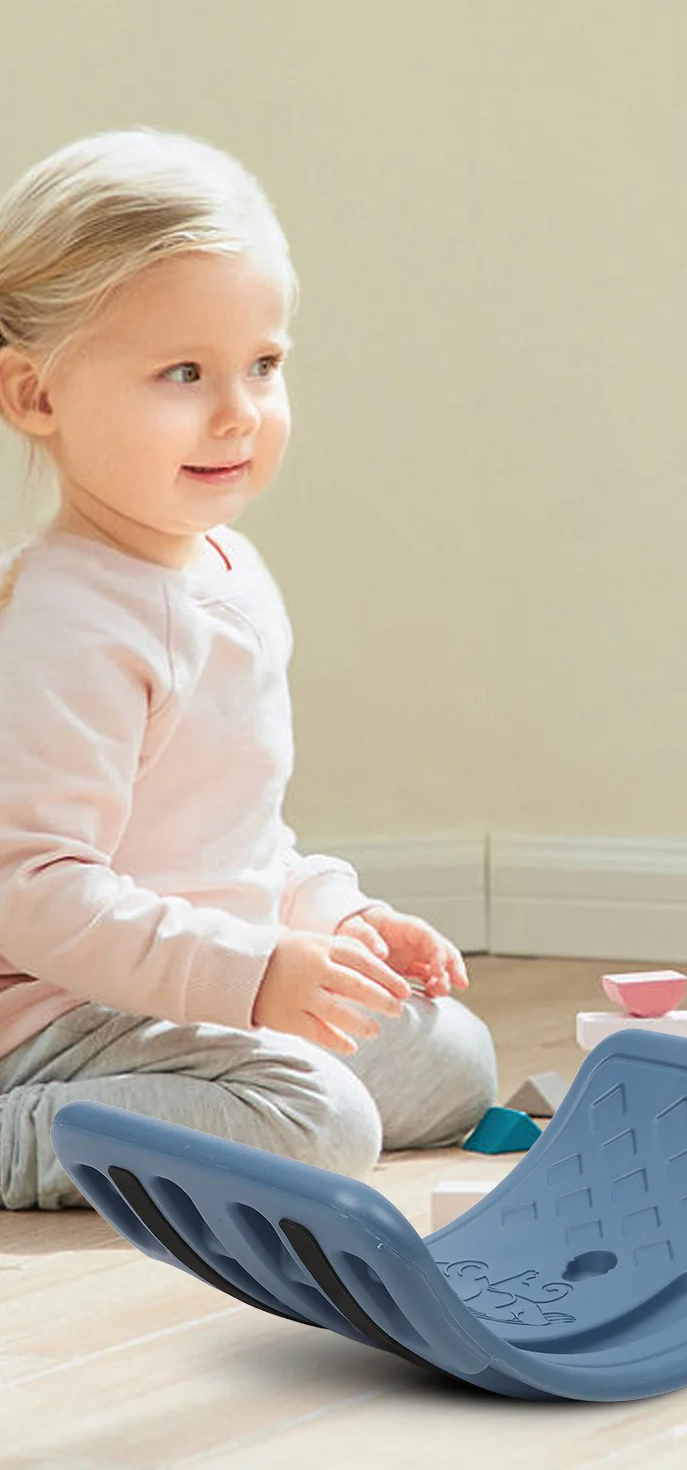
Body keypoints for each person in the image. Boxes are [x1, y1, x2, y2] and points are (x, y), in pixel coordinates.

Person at [0, 129, 496, 1209]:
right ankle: (17, 1139)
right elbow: (28, 893)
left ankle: (229, 1070)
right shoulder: (69, 619)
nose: (239, 411)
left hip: (189, 986)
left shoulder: (228, 569)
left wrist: (332, 917)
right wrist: (252, 975)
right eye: (183, 373)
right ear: (38, 397)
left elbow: (227, 837)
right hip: (52, 1021)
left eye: (263, 366)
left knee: (451, 1059)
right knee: (320, 1124)